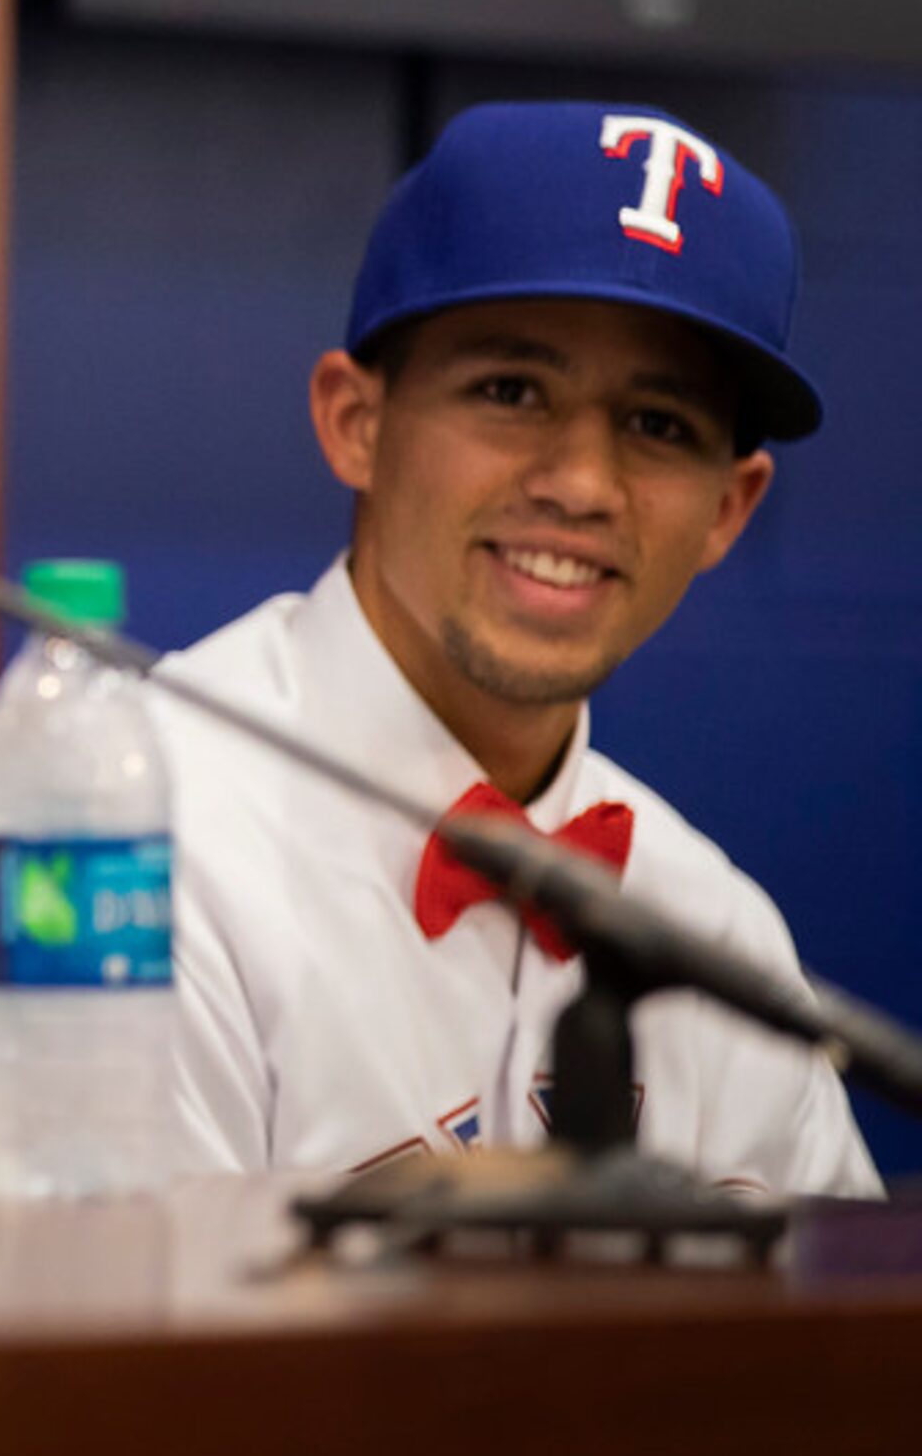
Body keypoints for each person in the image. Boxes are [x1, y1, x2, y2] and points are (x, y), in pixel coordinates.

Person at [157, 100, 877, 1194]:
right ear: (354, 421)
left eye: (657, 426)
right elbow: (110, 1355)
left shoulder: (718, 932)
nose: (579, 485)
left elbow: (846, 1362)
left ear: (727, 510)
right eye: (508, 392)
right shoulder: (136, 843)